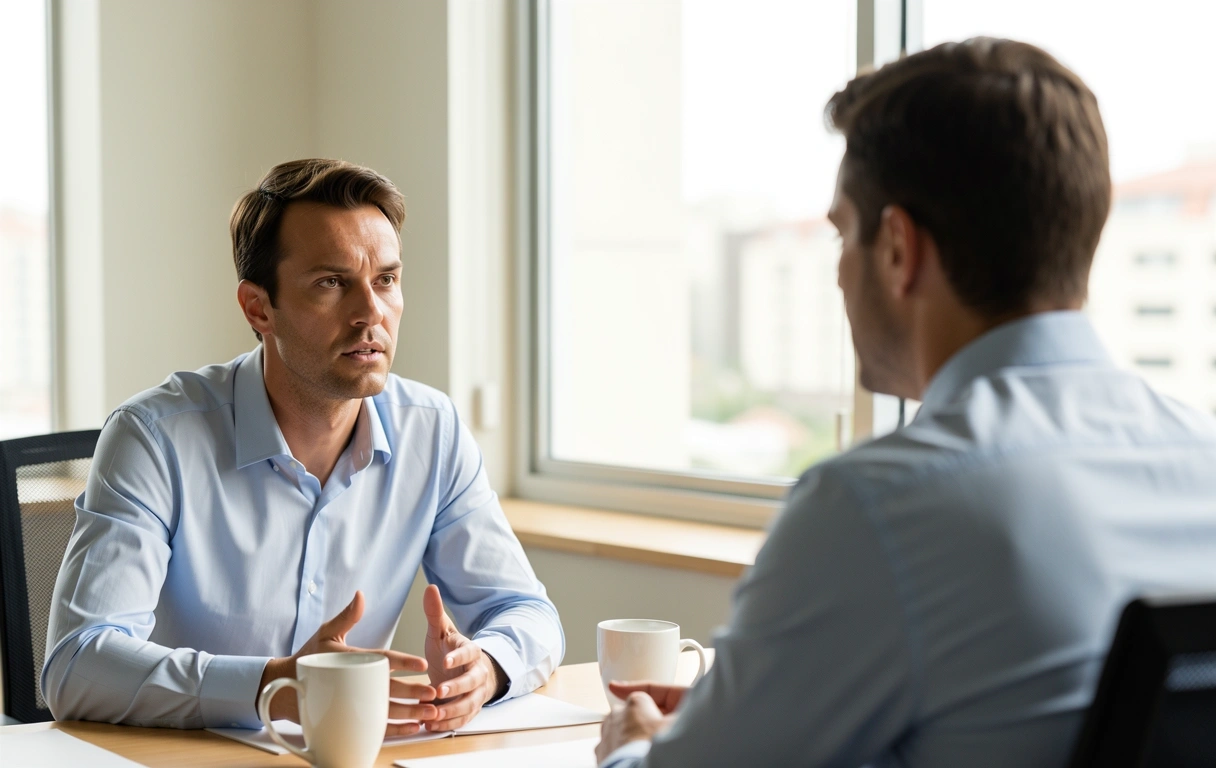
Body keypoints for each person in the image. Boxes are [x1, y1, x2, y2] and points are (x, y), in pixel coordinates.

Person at [596, 38, 1216, 767]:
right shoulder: (1201, 459)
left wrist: (633, 748)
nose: (837, 275)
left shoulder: (876, 510)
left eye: (842, 235)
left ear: (897, 248)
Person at [43, 159, 564, 733]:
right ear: (258, 307)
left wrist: (485, 669)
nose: (371, 313)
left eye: (386, 280)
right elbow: (77, 665)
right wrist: (276, 687)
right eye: (331, 283)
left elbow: (527, 612)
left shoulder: (431, 431)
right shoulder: (154, 437)